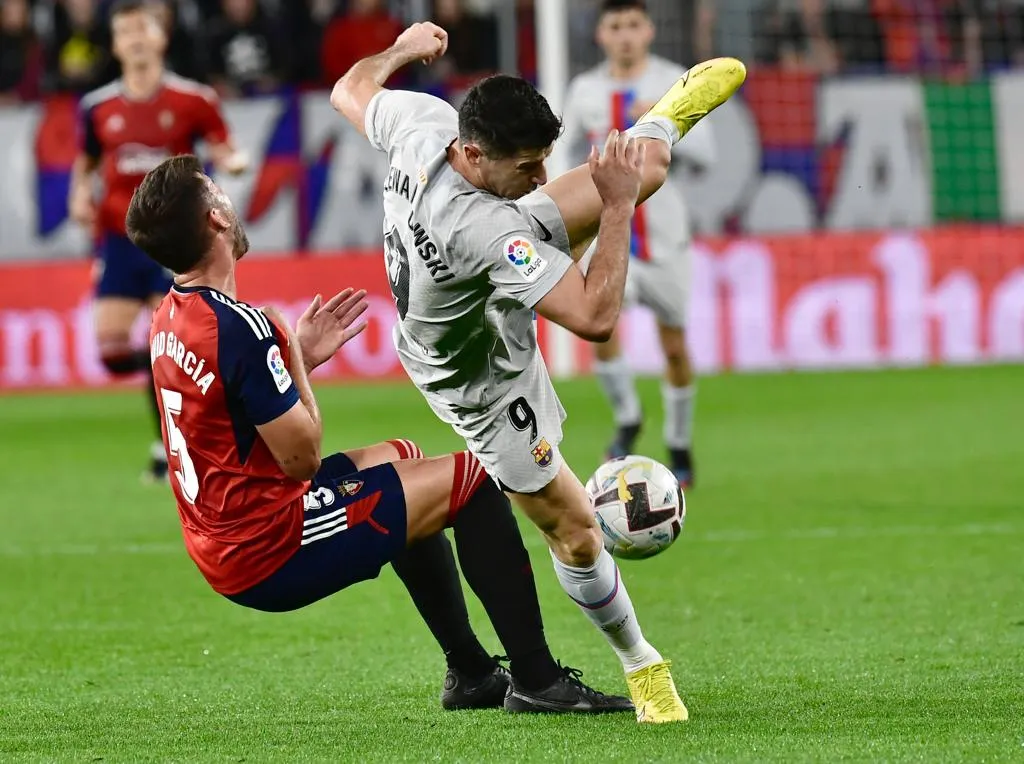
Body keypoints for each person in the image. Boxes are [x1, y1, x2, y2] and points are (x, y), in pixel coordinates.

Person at [330, 22, 745, 722]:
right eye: (528, 167)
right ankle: (642, 663)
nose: (543, 177)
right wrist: (614, 210)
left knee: (643, 167)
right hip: (481, 378)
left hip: (486, 276)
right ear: (473, 153)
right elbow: (593, 317)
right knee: (577, 529)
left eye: (545, 160)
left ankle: (655, 124)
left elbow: (351, 87)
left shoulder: (422, 123)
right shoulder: (484, 230)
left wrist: (401, 50)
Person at [127, 153, 635, 715]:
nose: (226, 196)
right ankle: (538, 681)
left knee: (404, 456)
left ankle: (471, 673)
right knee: (475, 478)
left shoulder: (169, 316)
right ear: (216, 220)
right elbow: (303, 458)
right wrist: (294, 357)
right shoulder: (242, 326)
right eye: (214, 190)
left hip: (223, 535)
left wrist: (294, 358)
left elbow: (230, 420)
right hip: (269, 543)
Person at [68, 0, 249, 483]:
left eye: (143, 29)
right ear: (115, 44)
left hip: (172, 236)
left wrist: (232, 162)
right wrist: (79, 194)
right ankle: (181, 418)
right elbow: (85, 162)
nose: (135, 39)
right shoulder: (98, 107)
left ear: (161, 37)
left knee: (163, 337)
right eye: (125, 32)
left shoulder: (193, 99)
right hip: (116, 238)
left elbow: (221, 143)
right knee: (111, 353)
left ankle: (171, 445)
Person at [563, 0, 717, 487]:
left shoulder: (676, 82)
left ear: (648, 30)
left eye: (633, 25)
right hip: (612, 236)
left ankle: (679, 444)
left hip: (666, 240)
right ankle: (628, 417)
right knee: (600, 328)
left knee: (674, 345)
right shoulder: (584, 90)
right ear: (601, 35)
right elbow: (564, 157)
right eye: (615, 27)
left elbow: (707, 156)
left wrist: (659, 127)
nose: (625, 35)